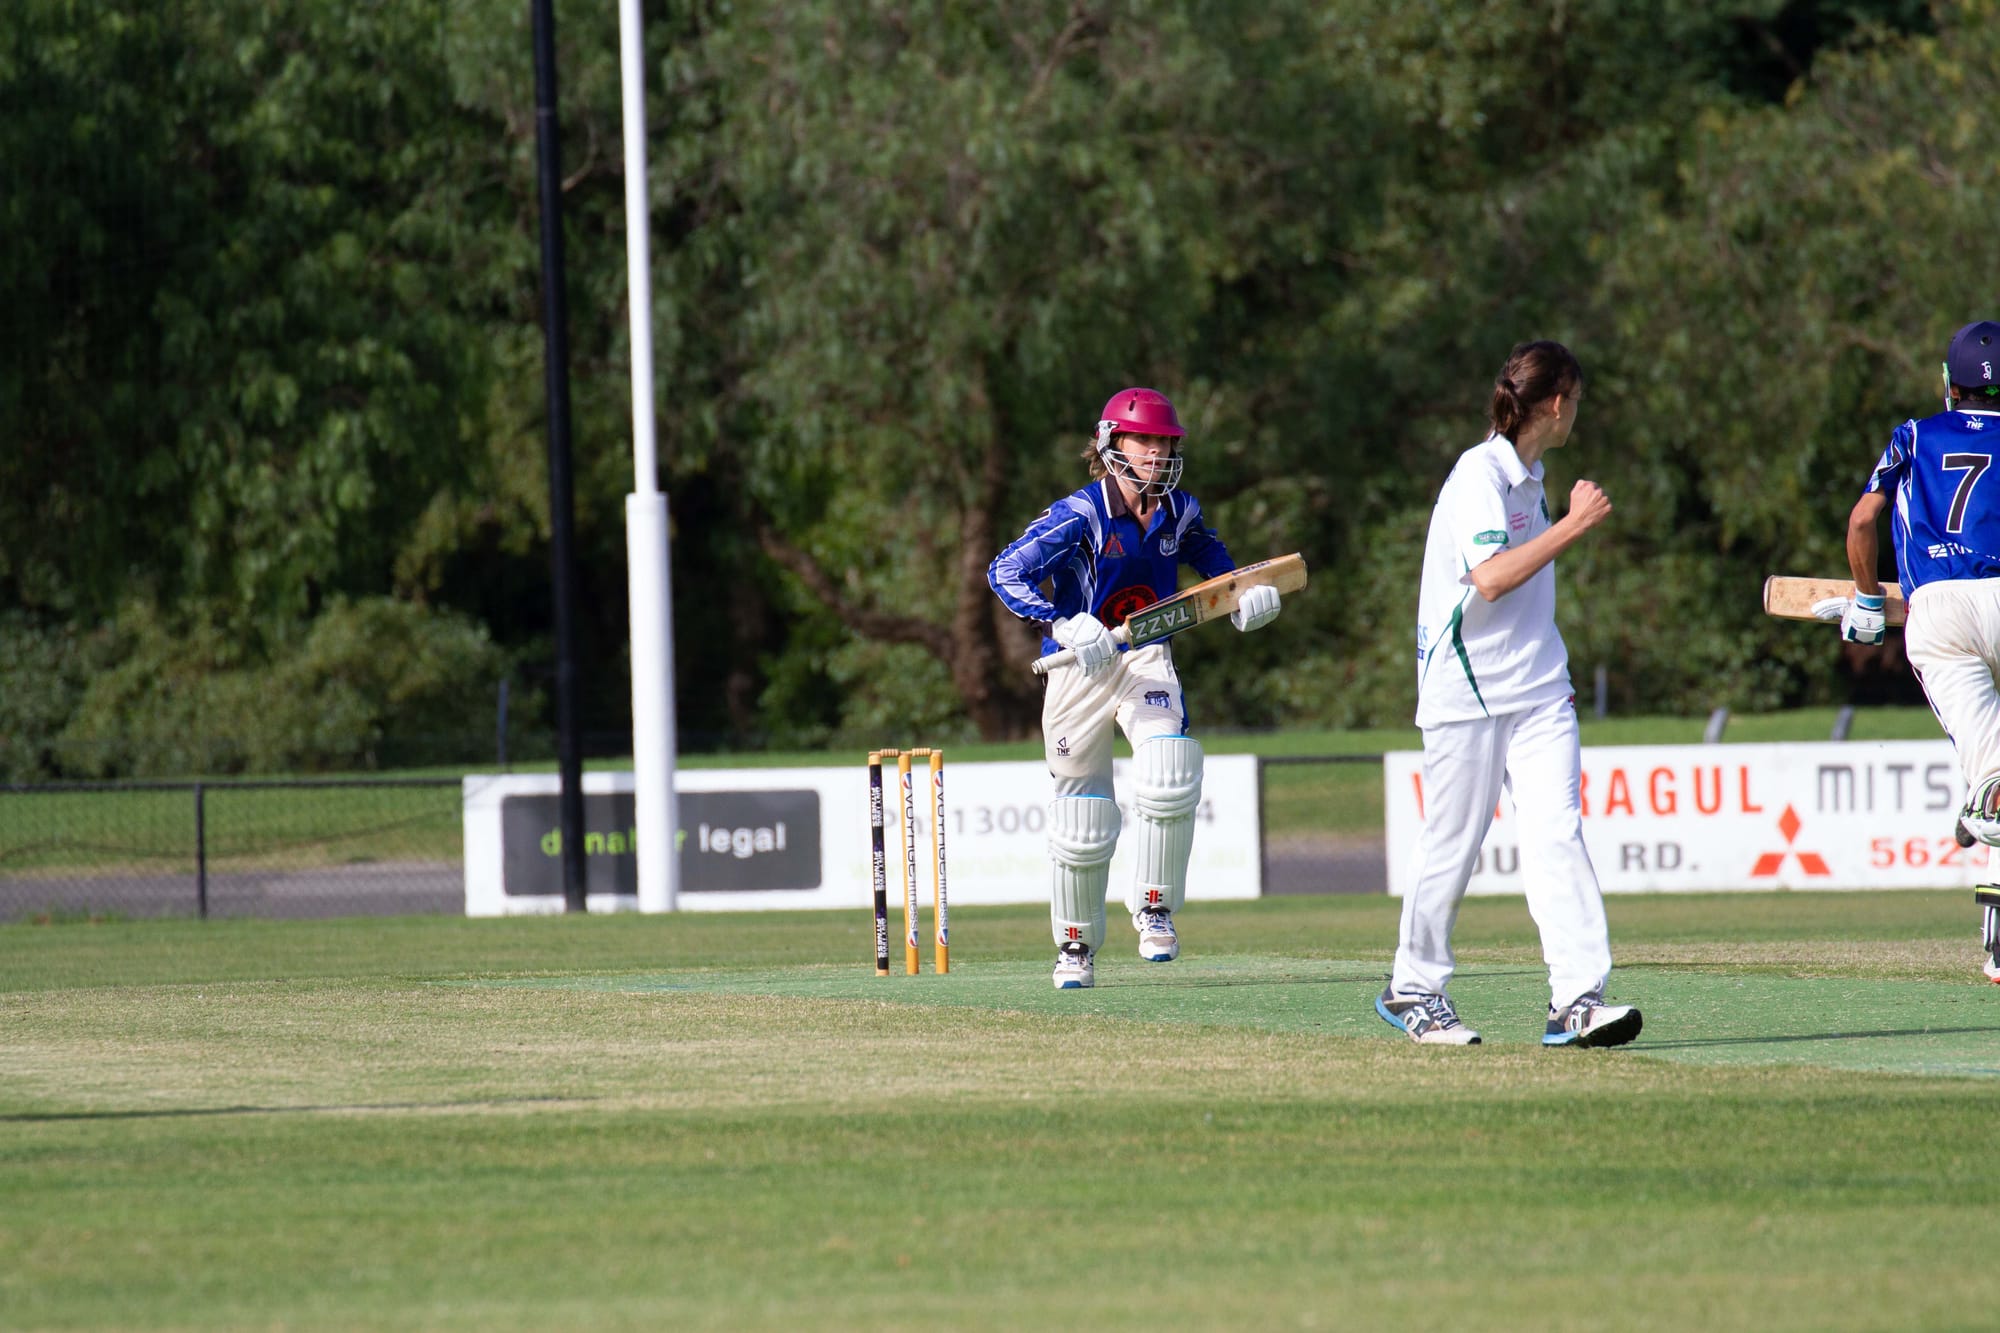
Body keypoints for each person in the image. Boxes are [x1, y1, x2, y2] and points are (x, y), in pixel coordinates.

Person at [1379, 340, 1643, 1047]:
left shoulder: (1532, 475)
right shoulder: (1478, 475)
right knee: (1454, 842)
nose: (1576, 414)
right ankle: (1413, 987)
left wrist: (1562, 518)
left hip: (1538, 689)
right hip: (1465, 687)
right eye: (1577, 402)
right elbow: (1490, 578)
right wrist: (1574, 525)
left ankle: (1577, 999)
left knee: (1557, 833)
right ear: (1556, 403)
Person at [988, 387, 1282, 989]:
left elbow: (1216, 567)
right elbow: (1004, 570)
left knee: (1170, 768)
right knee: (1082, 819)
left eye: (1164, 442)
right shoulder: (1080, 515)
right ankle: (1075, 946)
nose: (1156, 452)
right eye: (1144, 440)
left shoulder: (1180, 510)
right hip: (1077, 667)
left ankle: (1154, 906)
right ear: (1112, 445)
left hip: (1145, 655)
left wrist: (1243, 597)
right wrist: (1062, 622)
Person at [1818, 320, 2000, 981]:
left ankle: (1983, 821)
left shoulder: (1915, 435)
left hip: (1941, 610)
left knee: (1994, 772)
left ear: (1950, 386)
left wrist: (1868, 601)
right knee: (1997, 775)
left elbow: (1865, 518)